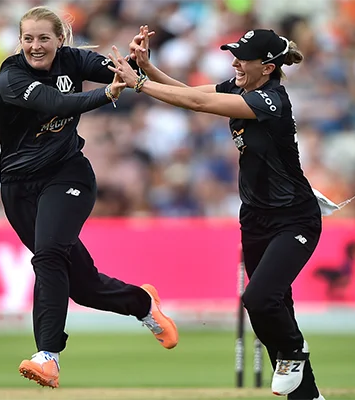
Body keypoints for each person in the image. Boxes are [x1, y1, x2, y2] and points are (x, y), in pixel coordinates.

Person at [110, 26, 342, 400]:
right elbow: (187, 93)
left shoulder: (271, 101)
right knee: (274, 308)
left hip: (294, 218)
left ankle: (295, 350)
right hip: (255, 218)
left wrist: (138, 85)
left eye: (243, 57)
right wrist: (146, 70)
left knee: (260, 300)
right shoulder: (240, 87)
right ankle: (309, 395)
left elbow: (199, 106)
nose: (235, 61)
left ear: (267, 67)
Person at [0, 8, 177, 389]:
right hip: (18, 188)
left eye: (44, 38)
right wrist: (107, 94)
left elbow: (124, 72)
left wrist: (136, 61)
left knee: (47, 256)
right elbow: (56, 104)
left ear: (60, 38)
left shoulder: (74, 60)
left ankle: (47, 357)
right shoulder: (12, 75)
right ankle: (143, 304)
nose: (35, 46)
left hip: (67, 175)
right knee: (82, 285)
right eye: (28, 38)